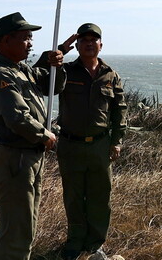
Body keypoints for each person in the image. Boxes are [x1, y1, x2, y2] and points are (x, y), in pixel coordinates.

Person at [0, 12, 75, 260]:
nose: (30, 43)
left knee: (26, 226)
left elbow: (52, 86)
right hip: (14, 159)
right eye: (25, 38)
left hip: (28, 158)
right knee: (15, 232)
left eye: (31, 38)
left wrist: (57, 59)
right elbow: (17, 117)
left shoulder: (20, 69)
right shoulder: (2, 74)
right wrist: (45, 135)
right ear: (6, 40)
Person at [55, 23, 127, 260]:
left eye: (93, 40)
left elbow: (119, 110)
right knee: (74, 197)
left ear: (100, 45)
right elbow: (45, 84)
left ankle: (95, 243)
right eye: (84, 40)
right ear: (77, 46)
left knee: (100, 197)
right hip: (71, 145)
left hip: (99, 145)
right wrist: (58, 52)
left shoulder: (110, 75)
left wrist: (116, 141)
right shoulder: (65, 71)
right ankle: (75, 242)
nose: (88, 44)